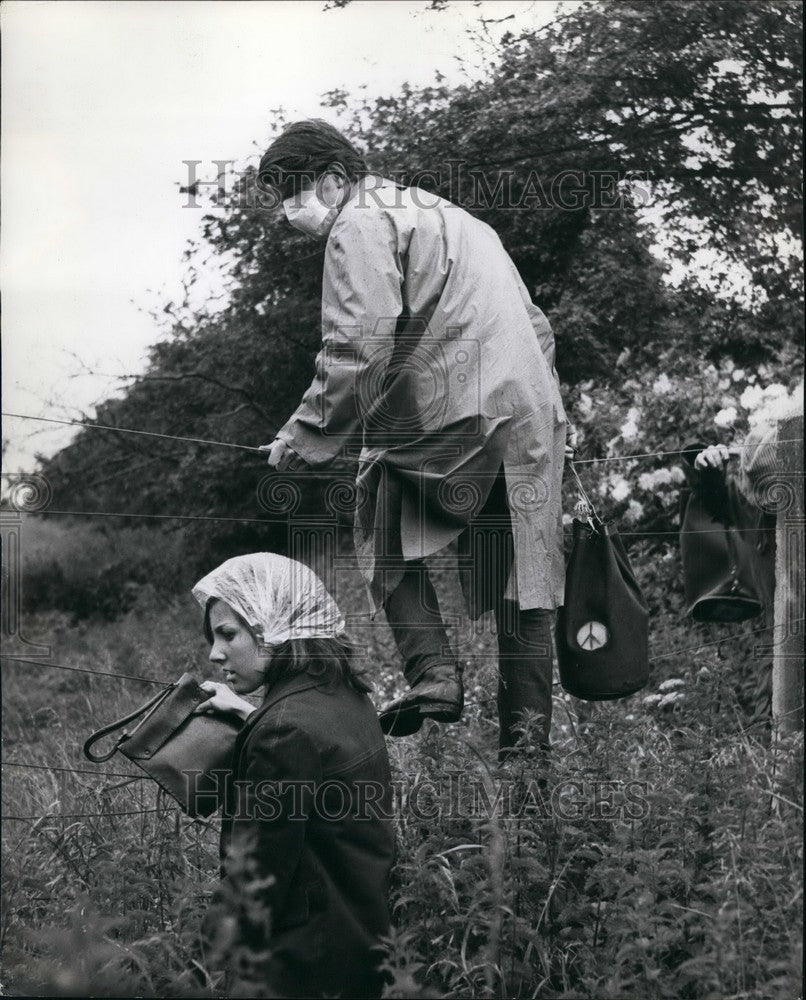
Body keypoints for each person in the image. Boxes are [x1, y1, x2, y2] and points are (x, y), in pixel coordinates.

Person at [258, 119, 574, 759]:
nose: (291, 215)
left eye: (294, 196)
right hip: (529, 414)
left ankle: (433, 673)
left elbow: (358, 346)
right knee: (524, 586)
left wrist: (305, 431)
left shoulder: (359, 221)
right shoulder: (459, 219)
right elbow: (539, 329)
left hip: (458, 408)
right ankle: (526, 760)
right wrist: (538, 408)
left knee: (377, 512)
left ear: (335, 180)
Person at [192, 552, 394, 998]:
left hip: (303, 968)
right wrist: (252, 714)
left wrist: (186, 971)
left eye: (229, 634)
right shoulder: (346, 695)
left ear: (275, 625)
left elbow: (255, 882)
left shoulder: (284, 731)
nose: (214, 653)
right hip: (361, 944)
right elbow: (313, 761)